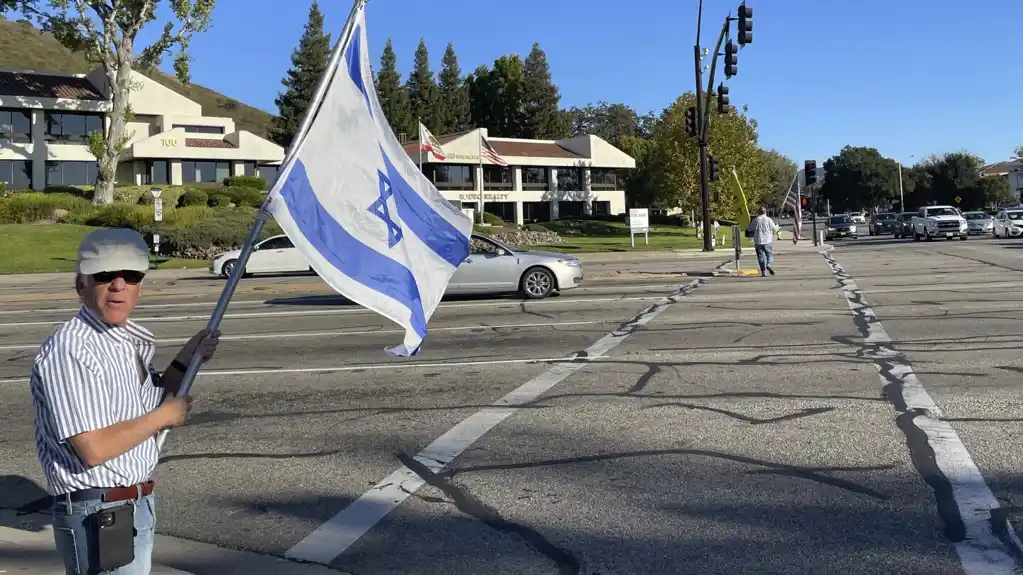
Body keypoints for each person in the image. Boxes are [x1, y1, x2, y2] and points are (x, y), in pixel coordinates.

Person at [30, 228, 221, 575]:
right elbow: (93, 448)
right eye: (105, 275)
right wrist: (164, 416)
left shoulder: (124, 340)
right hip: (99, 513)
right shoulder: (71, 349)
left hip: (132, 505)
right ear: (82, 284)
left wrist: (186, 358)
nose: (119, 285)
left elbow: (147, 402)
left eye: (130, 276)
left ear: (139, 286)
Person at [747, 205, 781, 277]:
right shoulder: (769, 220)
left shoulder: (756, 220)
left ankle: (763, 272)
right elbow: (774, 229)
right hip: (767, 240)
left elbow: (749, 229)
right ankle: (768, 264)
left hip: (758, 241)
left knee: (760, 256)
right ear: (765, 212)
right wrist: (777, 226)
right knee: (769, 254)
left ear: (758, 212)